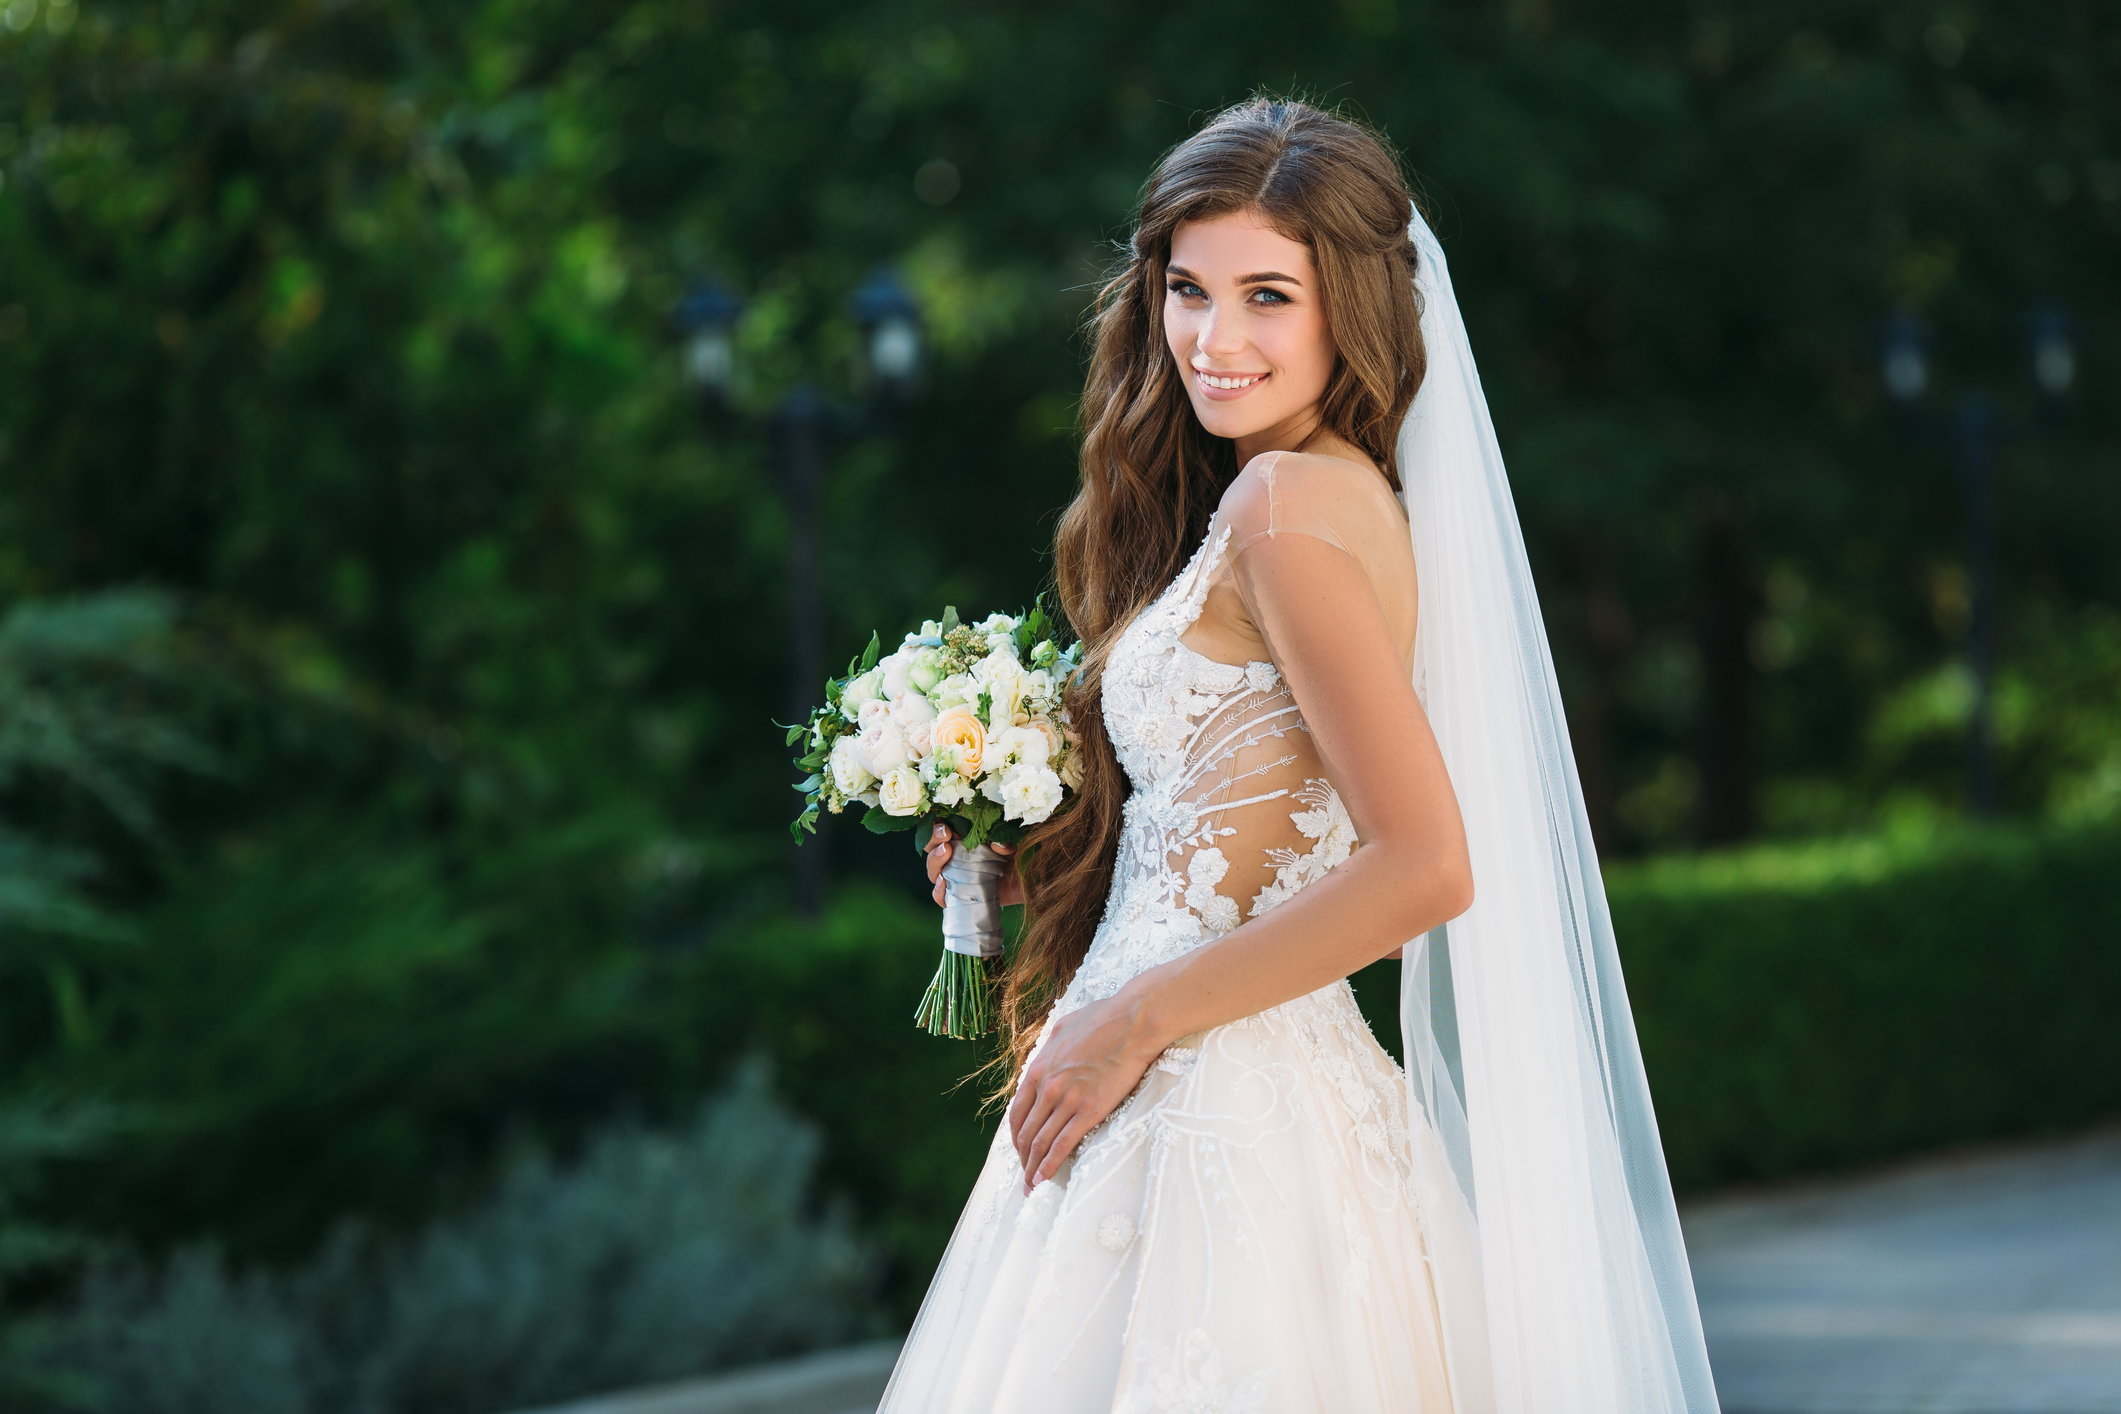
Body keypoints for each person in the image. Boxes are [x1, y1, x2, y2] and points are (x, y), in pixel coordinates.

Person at [879, 94, 1721, 1413]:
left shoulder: (1283, 510)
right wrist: (1027, 869)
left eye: (1267, 295)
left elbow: (1427, 865)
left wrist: (1132, 1020)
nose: (1214, 340)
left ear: (1352, 308)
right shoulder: (1315, 498)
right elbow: (1243, 834)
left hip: (1210, 1102)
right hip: (1210, 1089)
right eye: (1187, 289)